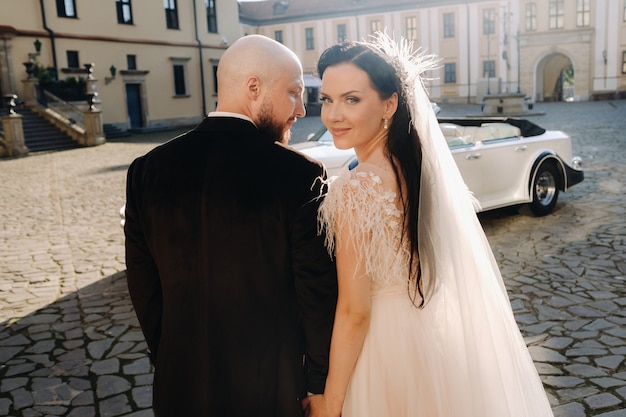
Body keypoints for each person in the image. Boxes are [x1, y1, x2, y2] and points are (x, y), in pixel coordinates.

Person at [303, 33, 554, 417]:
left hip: (381, 350)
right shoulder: (417, 170)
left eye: (351, 99)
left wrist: (332, 401)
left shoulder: (356, 187)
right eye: (327, 100)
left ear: (389, 104)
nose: (334, 115)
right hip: (430, 334)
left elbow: (355, 310)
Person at [124, 34, 337, 417]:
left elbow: (144, 287)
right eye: (293, 92)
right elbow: (317, 295)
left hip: (178, 388)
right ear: (253, 87)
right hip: (270, 391)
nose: (302, 109)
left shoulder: (146, 170)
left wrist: (173, 357)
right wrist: (319, 384)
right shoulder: (298, 175)